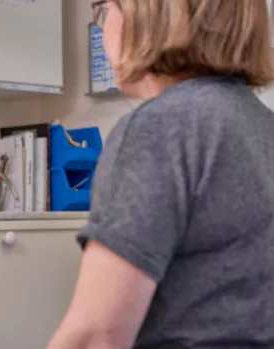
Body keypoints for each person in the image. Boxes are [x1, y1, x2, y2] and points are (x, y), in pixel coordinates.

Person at [47, 1, 274, 348]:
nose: (104, 25)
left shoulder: (161, 128)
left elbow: (97, 336)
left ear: (147, 15)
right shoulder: (262, 126)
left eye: (106, 9)